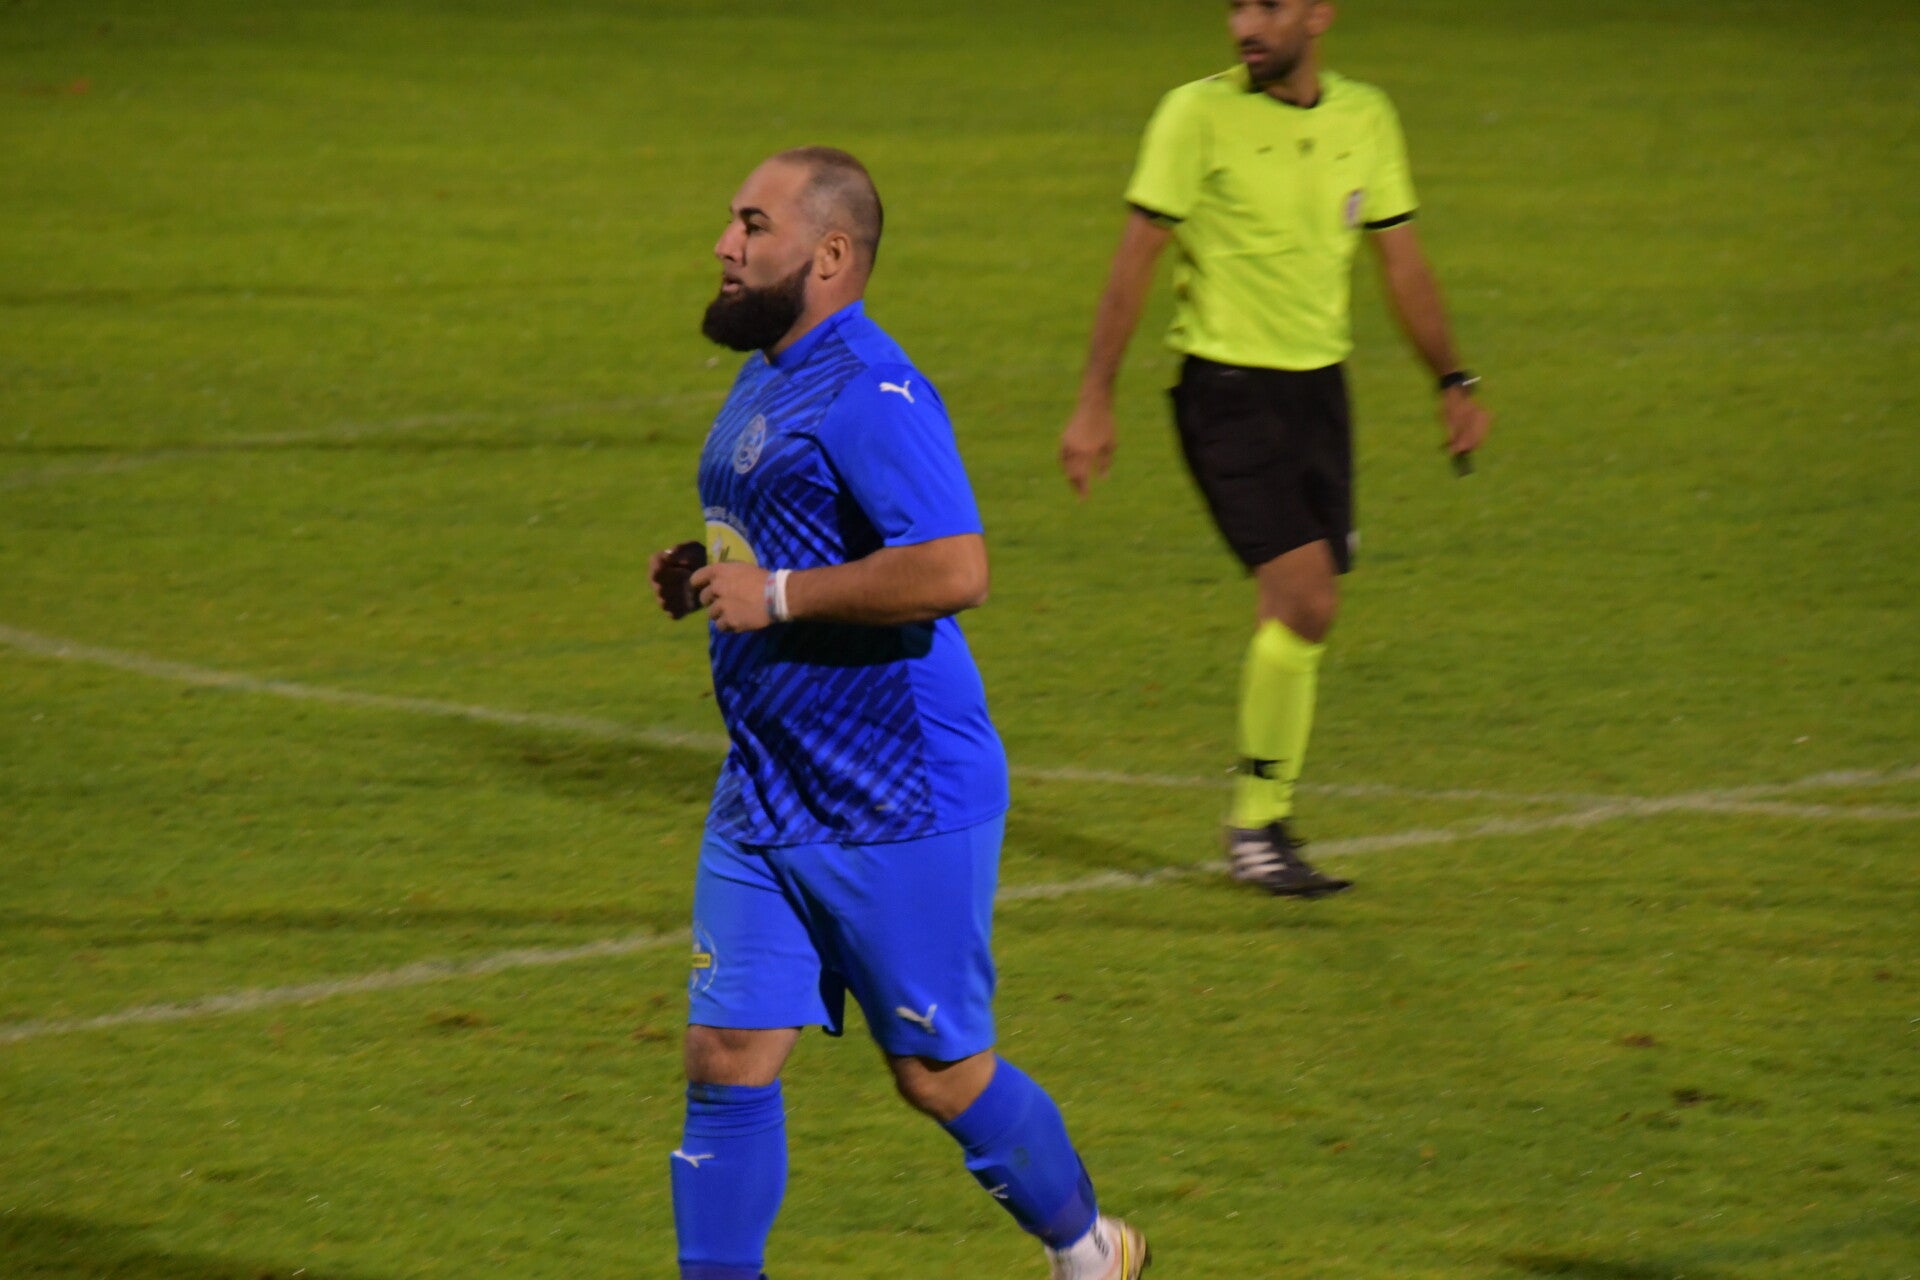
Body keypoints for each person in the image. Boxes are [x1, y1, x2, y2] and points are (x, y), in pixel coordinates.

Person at [649, 147, 1148, 1280]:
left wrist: (778, 596)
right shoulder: (769, 376)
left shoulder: (874, 392)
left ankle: (1087, 1249)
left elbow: (956, 568)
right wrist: (708, 573)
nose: (725, 245)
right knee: (725, 1054)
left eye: (753, 225)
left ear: (830, 255)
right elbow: (799, 539)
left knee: (936, 1073)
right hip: (767, 786)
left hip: (894, 794)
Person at [1059, 0, 1492, 898]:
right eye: (1237, 8)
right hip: (1226, 391)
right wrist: (1096, 397)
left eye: (1268, 6)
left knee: (1302, 610)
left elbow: (1401, 260)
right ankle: (1257, 825)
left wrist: (1452, 380)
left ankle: (1266, 822)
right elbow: (1135, 259)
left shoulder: (1365, 116)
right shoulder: (1196, 114)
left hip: (1319, 393)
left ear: (1319, 14)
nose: (1245, 26)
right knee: (1307, 598)